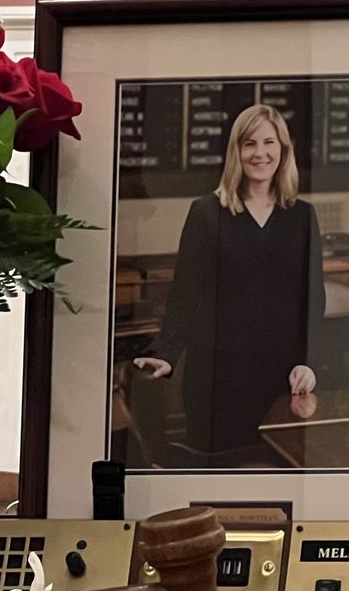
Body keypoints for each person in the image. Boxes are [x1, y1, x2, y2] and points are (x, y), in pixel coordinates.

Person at [132, 103, 326, 461]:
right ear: (236, 152)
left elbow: (313, 301)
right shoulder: (206, 213)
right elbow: (184, 297)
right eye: (249, 143)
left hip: (282, 380)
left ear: (283, 151)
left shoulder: (302, 217)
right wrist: (165, 354)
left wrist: (309, 363)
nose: (260, 153)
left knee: (278, 486)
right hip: (217, 381)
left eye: (269, 142)